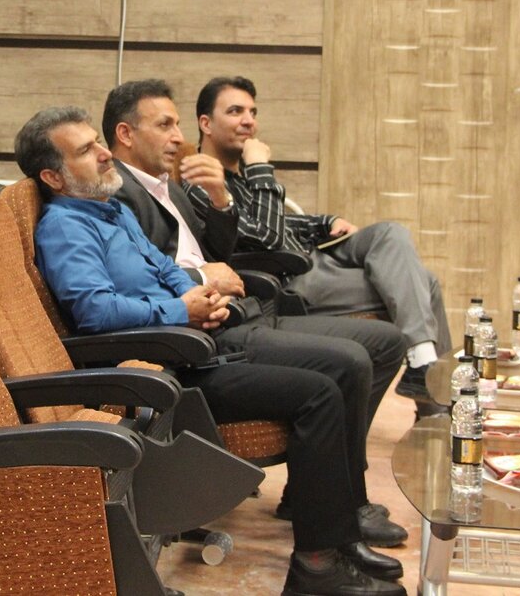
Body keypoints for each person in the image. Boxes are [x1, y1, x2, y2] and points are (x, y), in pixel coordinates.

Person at [17, 106, 405, 596]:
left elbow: (164, 267)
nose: (102, 153)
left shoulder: (109, 208)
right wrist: (180, 311)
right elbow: (95, 312)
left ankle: (338, 541)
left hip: (191, 343)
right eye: (85, 150)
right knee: (320, 392)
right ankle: (316, 564)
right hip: (158, 372)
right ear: (53, 176)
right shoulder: (65, 226)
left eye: (97, 141)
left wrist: (199, 297)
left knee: (341, 372)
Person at [102, 80, 407, 545]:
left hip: (244, 307)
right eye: (165, 125)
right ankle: (339, 505)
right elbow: (142, 277)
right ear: (126, 134)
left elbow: (219, 249)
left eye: (177, 124)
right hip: (206, 330)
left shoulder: (166, 186)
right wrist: (202, 277)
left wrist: (221, 203)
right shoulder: (120, 194)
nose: (177, 137)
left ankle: (323, 493)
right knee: (348, 362)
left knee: (385, 342)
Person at [190, 76, 454, 409]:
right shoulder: (203, 183)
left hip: (318, 255)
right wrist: (260, 167)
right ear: (206, 123)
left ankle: (426, 375)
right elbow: (266, 238)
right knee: (424, 283)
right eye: (235, 111)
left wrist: (324, 222)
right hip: (290, 279)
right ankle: (435, 403)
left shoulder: (240, 177)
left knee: (390, 232)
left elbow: (279, 223)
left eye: (252, 112)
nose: (249, 121)